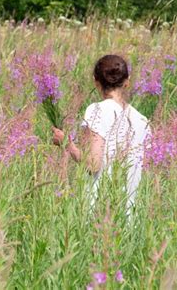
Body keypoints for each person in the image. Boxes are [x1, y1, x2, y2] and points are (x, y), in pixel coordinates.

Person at [52, 54, 151, 215]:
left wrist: (65, 143)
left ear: (96, 82)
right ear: (127, 81)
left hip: (100, 210)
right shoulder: (142, 120)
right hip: (129, 214)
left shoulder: (97, 110)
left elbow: (92, 164)